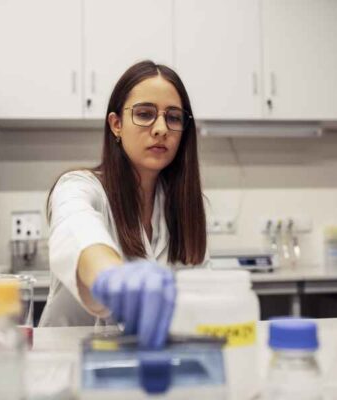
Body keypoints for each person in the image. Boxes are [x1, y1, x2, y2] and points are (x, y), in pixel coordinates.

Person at [38, 60, 209, 348]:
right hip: (68, 368)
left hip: (144, 364)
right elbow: (76, 227)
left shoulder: (185, 206)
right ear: (116, 125)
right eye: (145, 114)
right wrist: (114, 279)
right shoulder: (80, 186)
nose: (160, 128)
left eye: (174, 118)